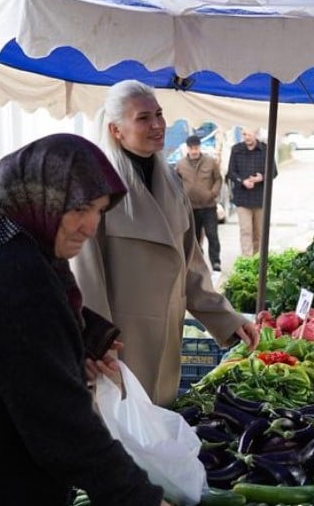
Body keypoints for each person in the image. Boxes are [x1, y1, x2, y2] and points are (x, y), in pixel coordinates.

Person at [0, 133, 169, 506]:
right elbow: (63, 427)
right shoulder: (17, 279)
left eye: (99, 210)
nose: (91, 226)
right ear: (42, 198)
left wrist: (82, 334)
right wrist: (141, 498)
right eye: (79, 209)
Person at [72, 80, 258, 407]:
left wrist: (229, 320)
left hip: (168, 338)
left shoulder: (172, 181)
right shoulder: (95, 187)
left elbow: (191, 266)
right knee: (122, 432)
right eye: (143, 118)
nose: (158, 125)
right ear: (116, 129)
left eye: (159, 114)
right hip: (120, 343)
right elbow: (86, 275)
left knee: (158, 426)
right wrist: (95, 343)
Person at [226, 128, 277, 257]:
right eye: (244, 134)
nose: (246, 137)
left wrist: (261, 178)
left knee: (259, 232)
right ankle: (247, 260)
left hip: (260, 198)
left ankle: (257, 260)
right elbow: (231, 173)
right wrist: (242, 181)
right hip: (242, 197)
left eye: (249, 134)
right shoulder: (236, 150)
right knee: (246, 230)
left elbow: (274, 171)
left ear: (255, 134)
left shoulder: (265, 149)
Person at [176, 135, 223, 271]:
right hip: (191, 208)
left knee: (212, 235)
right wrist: (182, 198)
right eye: (191, 148)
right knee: (194, 238)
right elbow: (176, 183)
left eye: (196, 148)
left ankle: (216, 262)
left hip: (208, 206)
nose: (194, 151)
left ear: (199, 147)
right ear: (187, 148)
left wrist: (212, 193)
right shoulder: (180, 165)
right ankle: (197, 262)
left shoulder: (210, 162)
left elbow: (218, 179)